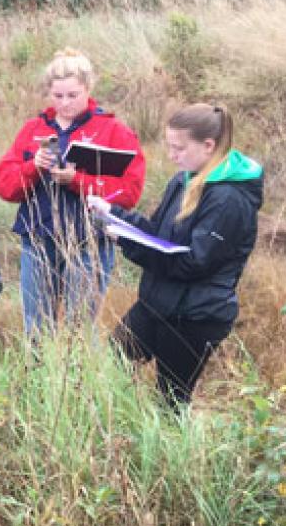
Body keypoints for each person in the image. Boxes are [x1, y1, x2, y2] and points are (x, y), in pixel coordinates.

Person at [88, 104, 263, 408]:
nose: (172, 155)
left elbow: (193, 262)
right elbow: (157, 233)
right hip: (155, 304)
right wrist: (114, 215)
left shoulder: (230, 199)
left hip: (195, 316)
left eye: (179, 148)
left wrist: (128, 243)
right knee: (112, 364)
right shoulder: (182, 179)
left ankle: (171, 453)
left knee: (171, 401)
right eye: (169, 146)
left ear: (208, 146)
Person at [0, 48, 146, 335]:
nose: (65, 103)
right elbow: (4, 185)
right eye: (58, 95)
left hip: (90, 243)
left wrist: (77, 180)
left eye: (73, 95)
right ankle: (35, 379)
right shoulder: (33, 129)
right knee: (36, 330)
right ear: (48, 92)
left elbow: (128, 193)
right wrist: (33, 167)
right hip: (39, 239)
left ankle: (78, 380)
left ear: (88, 88)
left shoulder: (113, 131)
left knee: (79, 331)